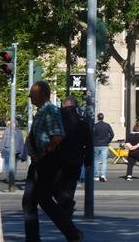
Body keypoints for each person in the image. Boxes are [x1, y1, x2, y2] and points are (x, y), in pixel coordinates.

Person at [23, 81, 83, 242]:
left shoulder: (50, 110)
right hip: (39, 162)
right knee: (32, 201)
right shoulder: (42, 111)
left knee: (41, 199)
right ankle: (69, 233)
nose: (29, 96)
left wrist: (42, 154)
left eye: (32, 93)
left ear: (43, 94)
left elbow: (58, 136)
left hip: (46, 162)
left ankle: (72, 233)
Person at [54, 96, 92, 215]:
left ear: (64, 105)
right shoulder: (82, 120)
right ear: (75, 106)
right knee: (70, 184)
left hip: (58, 157)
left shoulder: (57, 118)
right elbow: (89, 143)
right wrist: (88, 161)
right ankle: (67, 204)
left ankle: (65, 203)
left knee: (55, 183)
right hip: (76, 158)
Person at [92, 112, 114, 182]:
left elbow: (91, 135)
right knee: (104, 161)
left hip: (96, 145)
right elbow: (112, 134)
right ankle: (103, 175)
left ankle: (96, 176)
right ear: (103, 118)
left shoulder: (95, 126)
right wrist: (108, 141)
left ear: (97, 118)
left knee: (96, 160)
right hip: (104, 145)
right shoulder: (107, 125)